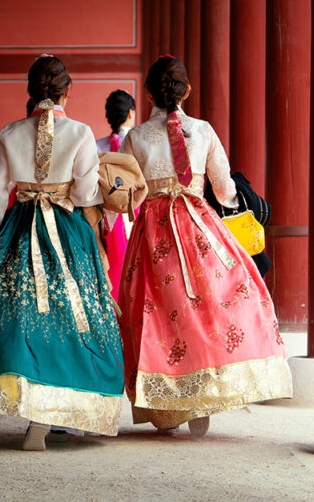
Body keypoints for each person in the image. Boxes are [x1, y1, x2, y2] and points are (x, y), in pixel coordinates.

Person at [0, 54, 124, 450]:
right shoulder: (81, 133)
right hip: (68, 233)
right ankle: (71, 407)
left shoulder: (10, 132)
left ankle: (34, 414)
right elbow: (83, 193)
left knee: (23, 318)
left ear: (30, 92)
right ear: (67, 91)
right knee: (76, 317)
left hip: (18, 231)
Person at [117, 55, 292, 438]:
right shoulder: (205, 131)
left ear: (148, 93)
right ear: (187, 91)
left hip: (154, 228)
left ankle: (167, 407)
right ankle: (203, 391)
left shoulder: (136, 137)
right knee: (208, 303)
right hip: (198, 223)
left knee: (157, 310)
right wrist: (227, 206)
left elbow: (130, 193)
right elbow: (225, 188)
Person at [95, 89, 137, 301]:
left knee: (110, 267)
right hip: (134, 212)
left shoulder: (97, 146)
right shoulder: (139, 141)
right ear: (131, 113)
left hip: (106, 216)